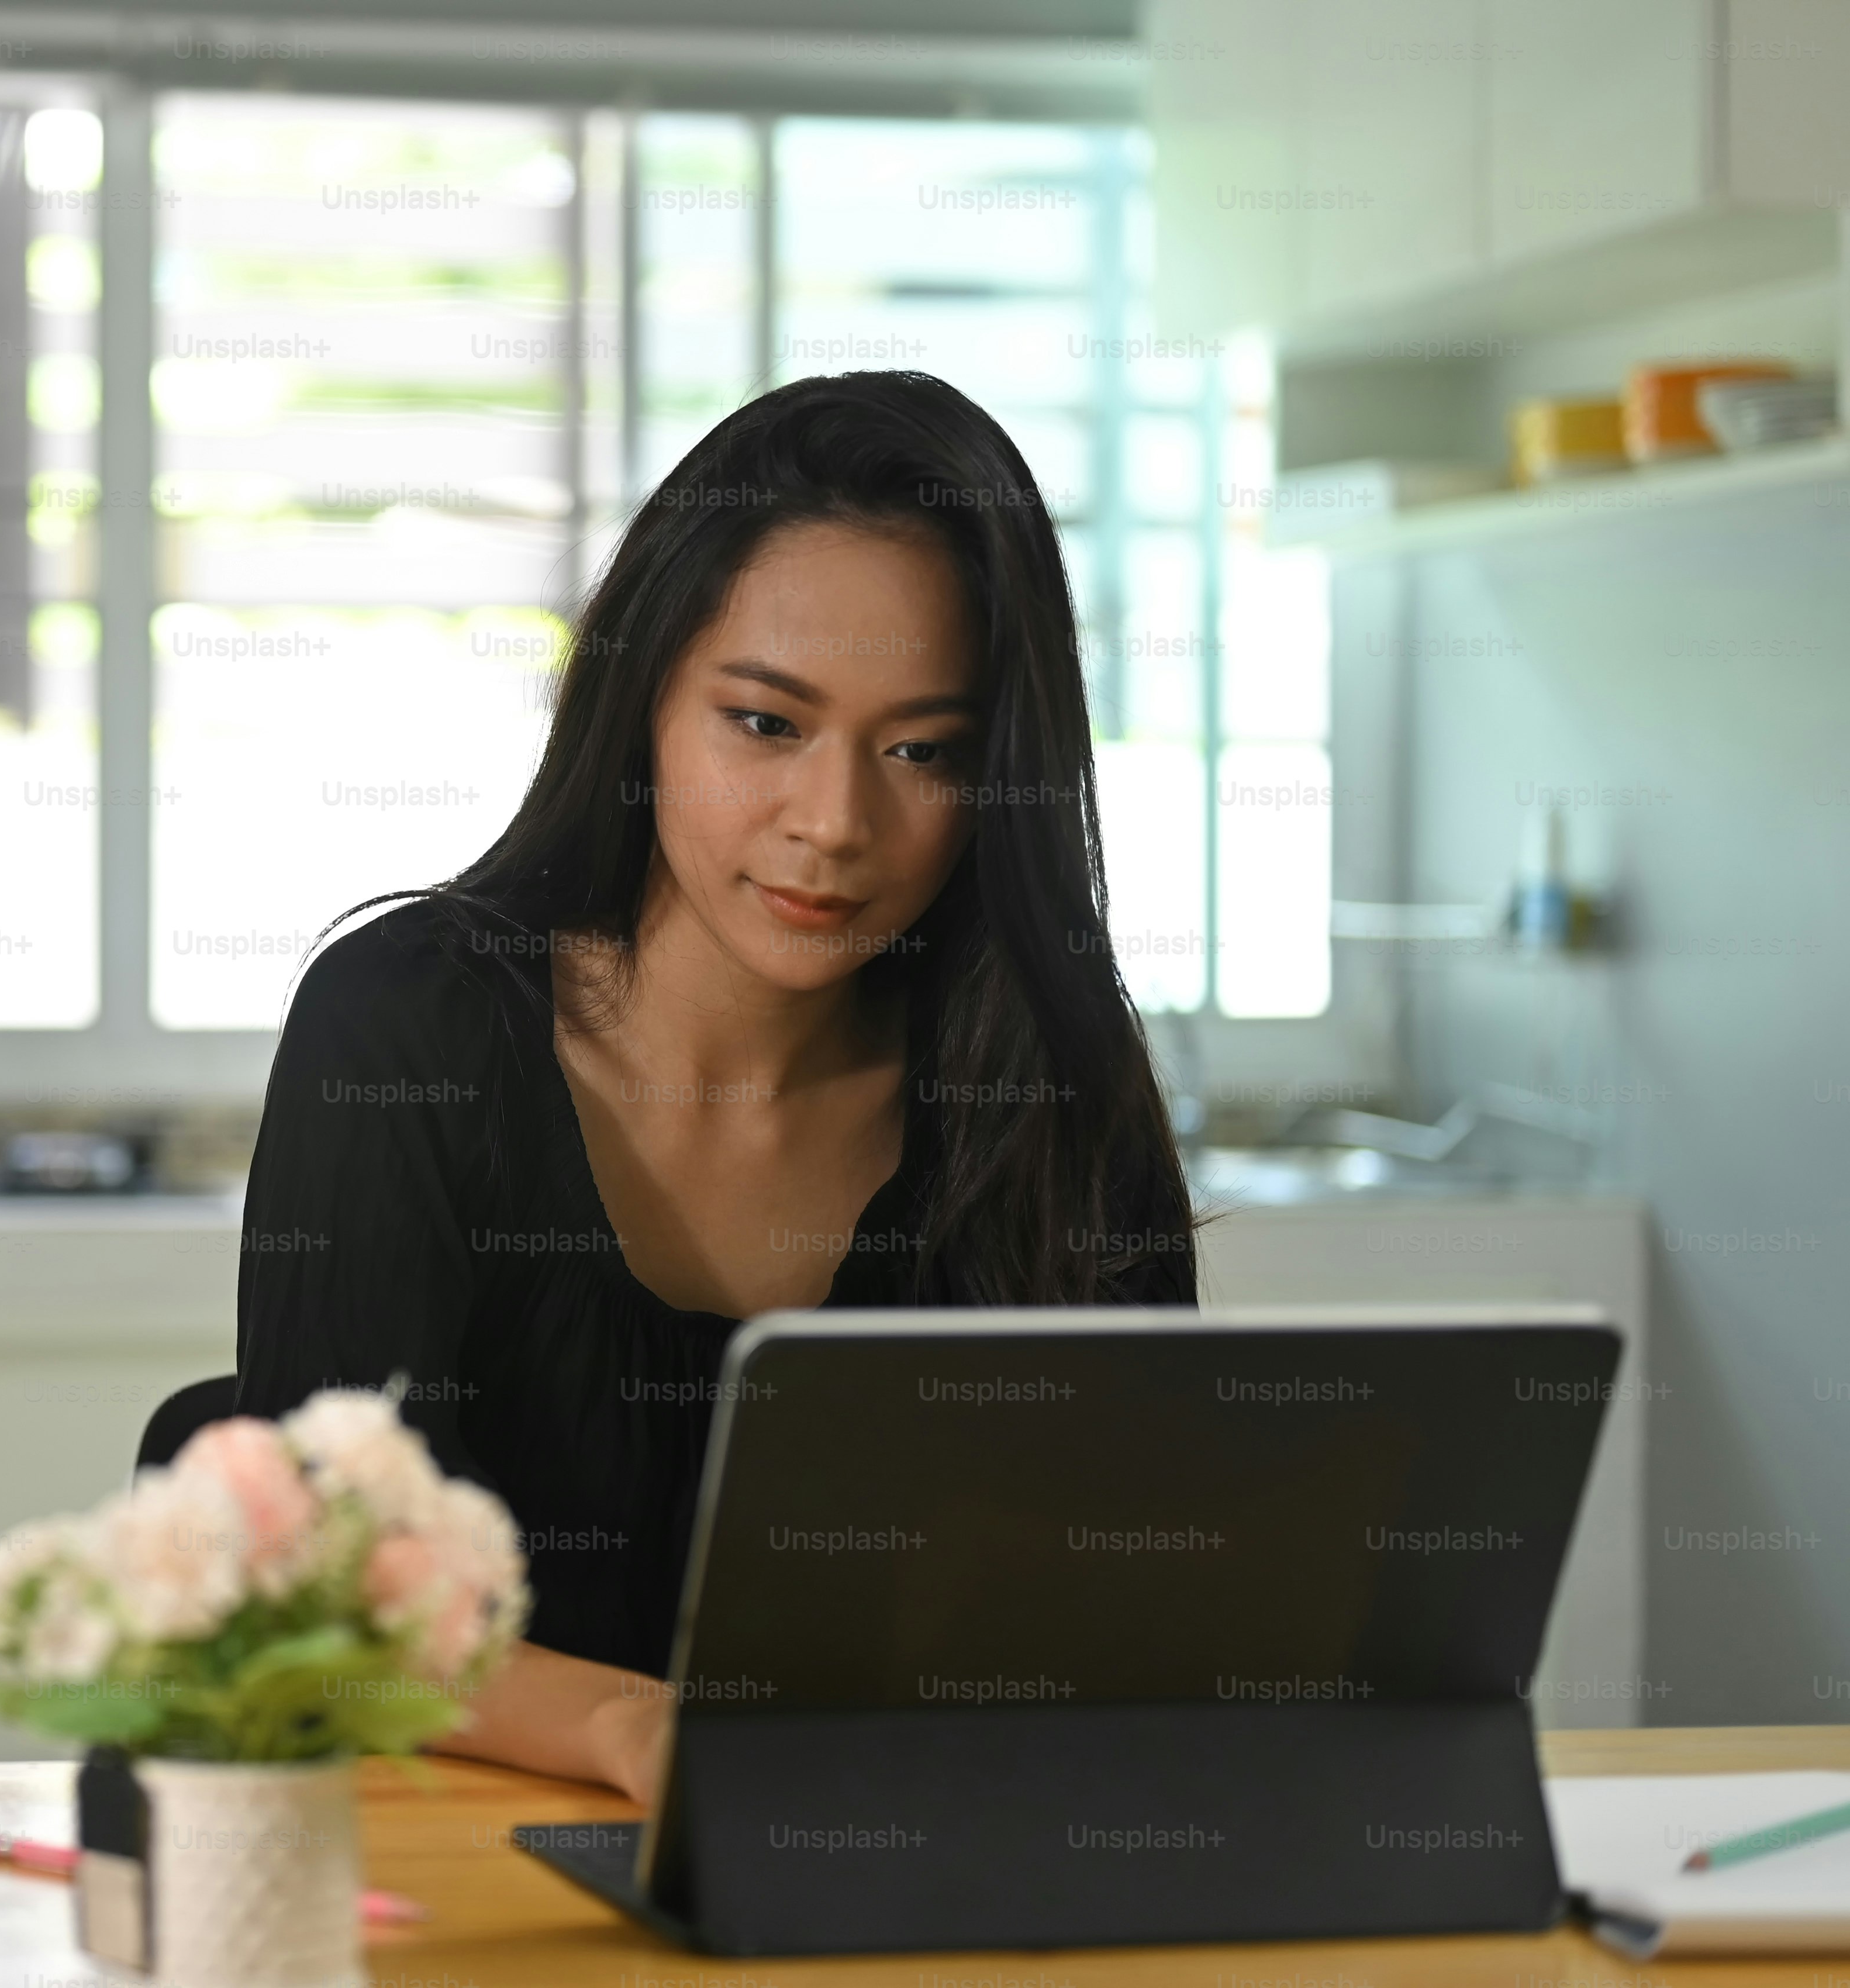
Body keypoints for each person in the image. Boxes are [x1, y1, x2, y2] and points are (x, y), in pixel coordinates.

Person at [232, 371, 1199, 1804]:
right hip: (468, 1885)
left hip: (904, 1885)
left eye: (923, 750)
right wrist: (642, 1734)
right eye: (764, 723)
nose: (834, 823)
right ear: (644, 702)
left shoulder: (1050, 1079)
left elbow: (1138, 1591)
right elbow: (331, 1602)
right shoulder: (409, 1028)